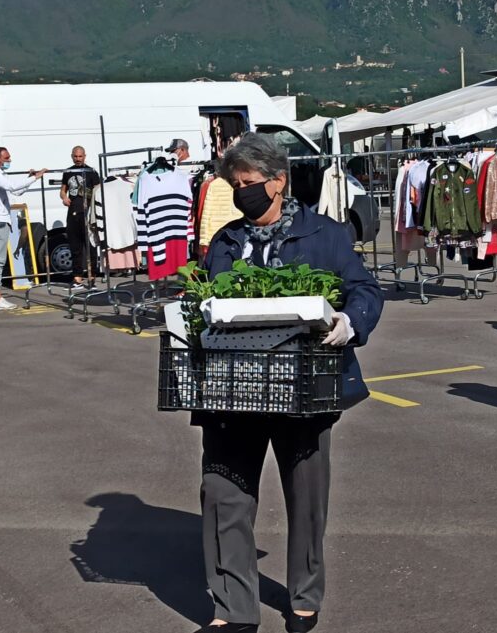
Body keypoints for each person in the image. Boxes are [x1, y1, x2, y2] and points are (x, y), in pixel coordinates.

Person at [193, 133, 383, 633]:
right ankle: (233, 609)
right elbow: (211, 303)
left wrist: (351, 321)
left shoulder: (325, 234)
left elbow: (363, 288)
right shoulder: (225, 241)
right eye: (234, 184)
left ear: (278, 181)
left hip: (305, 385)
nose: (240, 192)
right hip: (234, 389)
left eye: (248, 183)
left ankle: (304, 594)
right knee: (222, 494)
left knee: (306, 495)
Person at [0, 147, 46, 310]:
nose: (9, 161)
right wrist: (35, 177)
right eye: (6, 158)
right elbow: (11, 186)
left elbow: (16, 192)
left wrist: (31, 179)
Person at [61, 146, 100, 289]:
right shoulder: (68, 171)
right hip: (72, 213)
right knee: (75, 246)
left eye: (80, 156)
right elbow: (63, 190)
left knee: (90, 247)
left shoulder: (91, 172)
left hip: (88, 213)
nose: (78, 159)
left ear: (85, 156)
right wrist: (64, 197)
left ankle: (92, 279)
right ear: (72, 156)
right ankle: (77, 279)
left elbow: (98, 190)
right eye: (75, 156)